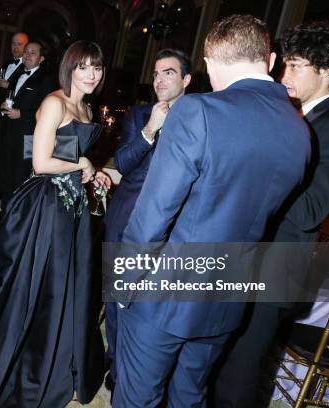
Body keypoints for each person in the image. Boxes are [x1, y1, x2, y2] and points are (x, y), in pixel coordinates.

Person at [115, 14, 311, 407]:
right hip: (228, 296)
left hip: (165, 294)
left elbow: (155, 211)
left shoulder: (198, 112)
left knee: (138, 400)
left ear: (208, 62)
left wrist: (124, 279)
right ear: (269, 61)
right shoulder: (300, 130)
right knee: (190, 396)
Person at [0, 40, 111, 408]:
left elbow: (68, 153)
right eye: (84, 67)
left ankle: (58, 364)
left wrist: (95, 173)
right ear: (69, 68)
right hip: (45, 207)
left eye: (98, 67)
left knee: (65, 287)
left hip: (71, 206)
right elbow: (41, 162)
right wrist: (84, 166)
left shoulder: (86, 107)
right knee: (35, 288)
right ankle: (21, 365)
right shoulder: (54, 103)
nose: (92, 74)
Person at [213, 21, 329, 408]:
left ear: (327, 69)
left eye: (295, 66)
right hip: (250, 260)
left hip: (276, 270)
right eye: (284, 65)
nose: (283, 75)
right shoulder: (293, 116)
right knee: (222, 361)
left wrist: (262, 168)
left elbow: (310, 209)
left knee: (239, 375)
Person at [102, 48, 191, 391]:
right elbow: (123, 162)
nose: (159, 79)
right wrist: (150, 130)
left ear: (185, 79)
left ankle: (144, 368)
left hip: (173, 228)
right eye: (155, 73)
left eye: (168, 72)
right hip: (127, 219)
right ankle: (115, 363)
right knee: (116, 297)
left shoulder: (197, 117)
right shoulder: (139, 115)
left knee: (153, 303)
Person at [0, 41, 56, 208]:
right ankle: (4, 215)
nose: (27, 55)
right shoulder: (17, 74)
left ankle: (15, 221)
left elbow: (46, 112)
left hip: (29, 138)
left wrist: (21, 114)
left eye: (33, 52)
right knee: (7, 177)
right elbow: (13, 98)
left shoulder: (45, 81)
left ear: (41, 58)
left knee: (20, 179)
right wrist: (5, 107)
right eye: (26, 52)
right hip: (10, 133)